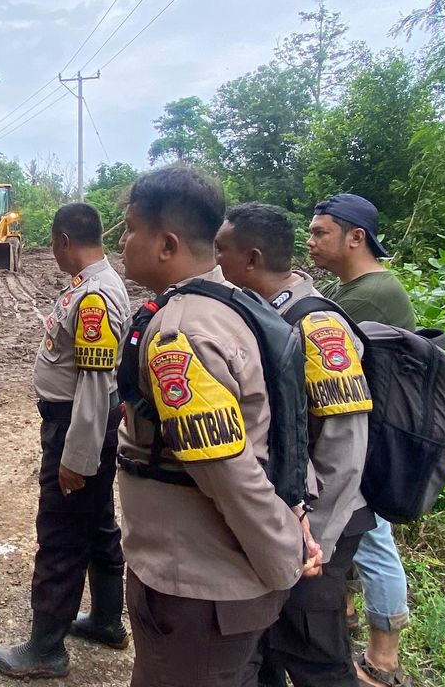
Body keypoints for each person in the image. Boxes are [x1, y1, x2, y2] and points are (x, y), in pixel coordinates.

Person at [115, 167, 310, 687]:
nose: (121, 239)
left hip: (200, 593)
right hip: (222, 587)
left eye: (131, 227)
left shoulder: (180, 333)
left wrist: (283, 558)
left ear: (167, 243)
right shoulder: (240, 306)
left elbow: (227, 470)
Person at [216, 203, 377, 686]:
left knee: (315, 658)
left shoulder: (316, 326)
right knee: (267, 648)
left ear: (251, 258)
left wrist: (315, 545)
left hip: (323, 527)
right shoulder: (264, 315)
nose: (213, 259)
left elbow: (346, 445)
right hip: (288, 522)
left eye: (221, 249)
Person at [0, 203, 131, 678]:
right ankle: (109, 620)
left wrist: (76, 457)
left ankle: (46, 649)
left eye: (53, 243)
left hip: (76, 425)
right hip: (80, 422)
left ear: (64, 240)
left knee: (60, 531)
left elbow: (93, 385)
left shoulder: (94, 296)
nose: (52, 251)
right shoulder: (91, 286)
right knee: (96, 522)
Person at [308, 193, 415, 687]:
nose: (311, 242)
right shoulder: (358, 288)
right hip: (362, 433)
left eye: (320, 232)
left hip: (367, 442)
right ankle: (345, 615)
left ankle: (383, 658)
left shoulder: (365, 297)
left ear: (356, 237)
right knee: (358, 535)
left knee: (373, 540)